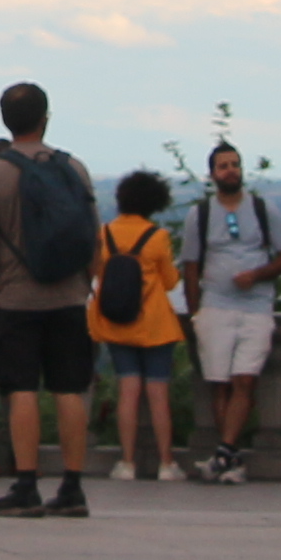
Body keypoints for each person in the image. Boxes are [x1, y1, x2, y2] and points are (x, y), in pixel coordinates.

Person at [0, 83, 102, 520]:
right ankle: (73, 485)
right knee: (69, 389)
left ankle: (26, 484)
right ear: (46, 117)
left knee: (20, 388)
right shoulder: (73, 168)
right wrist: (86, 284)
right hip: (68, 296)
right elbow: (94, 238)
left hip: (15, 297)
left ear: (4, 119)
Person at [179, 143, 281, 484]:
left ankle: (223, 452)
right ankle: (230, 459)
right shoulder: (199, 215)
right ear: (213, 174)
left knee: (245, 379)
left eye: (235, 164)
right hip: (215, 306)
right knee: (220, 383)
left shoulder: (262, 209)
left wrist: (257, 275)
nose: (231, 171)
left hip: (256, 307)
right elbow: (190, 266)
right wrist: (195, 312)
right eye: (224, 166)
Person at [89, 168, 188, 479]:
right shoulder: (157, 237)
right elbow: (170, 282)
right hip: (155, 325)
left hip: (117, 323)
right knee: (158, 394)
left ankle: (127, 462)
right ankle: (166, 462)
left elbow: (97, 273)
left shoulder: (105, 234)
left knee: (127, 391)